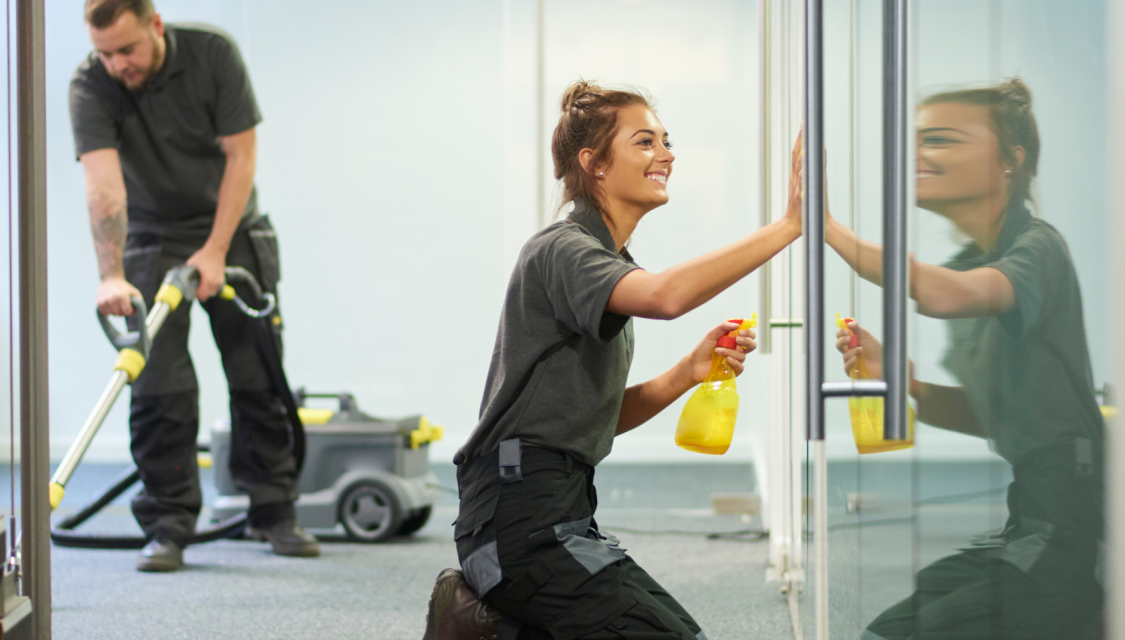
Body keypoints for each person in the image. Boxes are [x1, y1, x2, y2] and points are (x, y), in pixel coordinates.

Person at [423, 81, 803, 640]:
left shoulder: (605, 260)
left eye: (666, 142)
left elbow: (586, 417)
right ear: (594, 164)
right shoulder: (564, 249)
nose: (667, 155)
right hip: (516, 522)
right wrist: (789, 226)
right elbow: (666, 297)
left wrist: (686, 373)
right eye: (645, 142)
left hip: (561, 510)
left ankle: (487, 629)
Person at [827, 79, 1104, 638]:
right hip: (1024, 515)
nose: (917, 155)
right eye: (915, 140)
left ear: (1011, 160)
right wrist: (908, 386)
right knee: (886, 630)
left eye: (941, 140)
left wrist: (830, 232)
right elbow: (997, 415)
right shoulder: (969, 260)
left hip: (1065, 529)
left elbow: (946, 294)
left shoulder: (1036, 248)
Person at [69, 0, 318, 572]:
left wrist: (215, 249)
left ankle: (273, 511)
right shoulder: (91, 83)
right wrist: (110, 274)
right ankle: (168, 524)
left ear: (155, 25)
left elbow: (242, 157)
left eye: (126, 50)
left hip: (235, 232)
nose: (116, 65)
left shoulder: (212, 55)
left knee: (257, 376)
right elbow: (103, 186)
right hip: (152, 241)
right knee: (159, 388)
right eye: (104, 53)